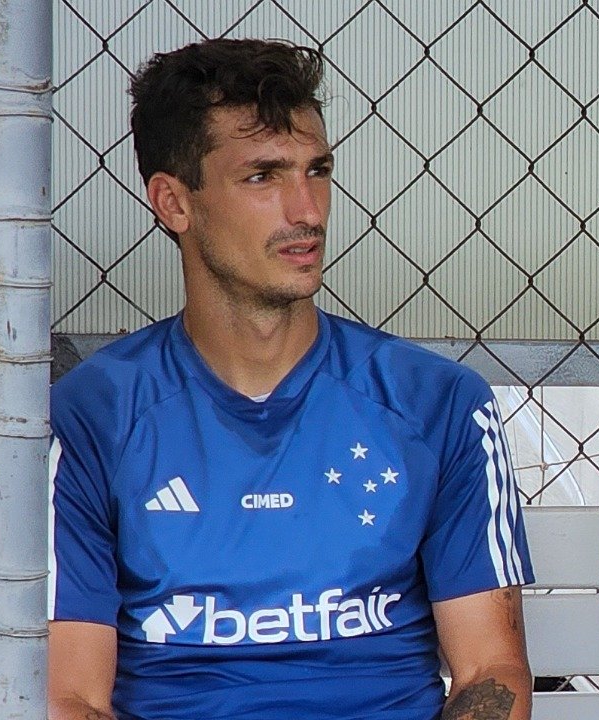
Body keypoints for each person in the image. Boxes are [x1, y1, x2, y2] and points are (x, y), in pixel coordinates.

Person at [48, 38, 532, 720]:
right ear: (173, 202)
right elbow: (69, 696)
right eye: (262, 177)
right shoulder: (89, 415)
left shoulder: (438, 403)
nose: (306, 211)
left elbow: (492, 669)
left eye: (317, 170)